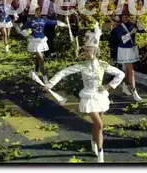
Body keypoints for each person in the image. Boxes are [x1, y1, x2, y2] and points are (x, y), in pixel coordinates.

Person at [44, 23, 125, 163]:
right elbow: (63, 72)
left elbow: (120, 74)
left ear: (95, 51)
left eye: (88, 50)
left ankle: (94, 142)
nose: (85, 52)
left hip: (100, 96)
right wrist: (50, 83)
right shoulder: (81, 66)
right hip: (88, 97)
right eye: (85, 50)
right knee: (99, 125)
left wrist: (108, 87)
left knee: (97, 125)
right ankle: (101, 154)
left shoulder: (103, 64)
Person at [21, 5, 68, 84]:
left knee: (38, 59)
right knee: (41, 59)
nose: (38, 13)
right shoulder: (31, 21)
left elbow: (54, 22)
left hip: (42, 41)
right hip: (34, 41)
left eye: (40, 11)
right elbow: (23, 28)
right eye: (37, 11)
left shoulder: (44, 19)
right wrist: (27, 35)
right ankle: (45, 78)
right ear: (34, 12)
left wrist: (65, 25)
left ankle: (35, 73)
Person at [109, 10, 145, 101]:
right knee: (131, 71)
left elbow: (143, 30)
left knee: (127, 71)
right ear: (120, 17)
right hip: (124, 50)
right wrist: (132, 32)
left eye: (127, 16)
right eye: (123, 16)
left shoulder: (131, 24)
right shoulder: (118, 28)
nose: (125, 18)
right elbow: (123, 39)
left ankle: (127, 86)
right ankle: (134, 91)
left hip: (132, 49)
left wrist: (138, 21)